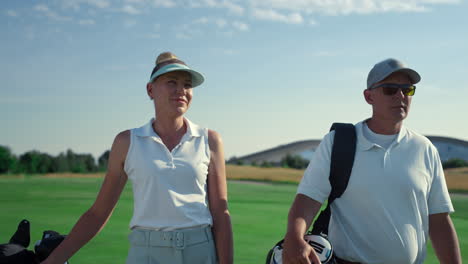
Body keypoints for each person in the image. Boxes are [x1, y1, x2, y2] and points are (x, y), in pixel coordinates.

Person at [41, 52, 233, 264]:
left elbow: (220, 213)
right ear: (150, 90)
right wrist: (53, 261)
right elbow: (98, 213)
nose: (181, 90)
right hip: (146, 253)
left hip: (201, 251)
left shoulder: (210, 140)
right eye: (171, 82)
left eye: (187, 85)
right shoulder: (127, 142)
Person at [282, 58, 462, 264]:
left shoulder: (425, 149)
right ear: (369, 97)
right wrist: (294, 238)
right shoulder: (338, 142)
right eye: (390, 89)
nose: (401, 96)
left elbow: (439, 220)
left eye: (408, 90)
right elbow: (308, 199)